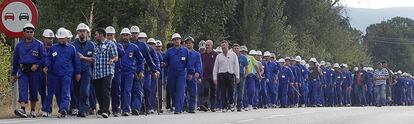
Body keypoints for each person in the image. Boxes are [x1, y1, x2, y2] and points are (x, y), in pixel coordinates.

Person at [43, 28, 81, 118]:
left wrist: (78, 73)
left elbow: (76, 61)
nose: (61, 40)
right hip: (54, 74)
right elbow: (48, 59)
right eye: (59, 38)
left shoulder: (72, 48)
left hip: (67, 74)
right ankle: (55, 109)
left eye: (63, 38)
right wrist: (46, 66)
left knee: (65, 92)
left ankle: (64, 109)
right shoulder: (53, 48)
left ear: (66, 38)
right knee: (56, 93)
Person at [11, 23, 46, 118]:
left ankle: (33, 110)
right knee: (22, 88)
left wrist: (37, 64)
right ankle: (22, 108)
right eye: (27, 32)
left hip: (34, 70)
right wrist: (13, 74)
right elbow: (15, 60)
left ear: (33, 33)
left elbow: (43, 58)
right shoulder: (19, 45)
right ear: (24, 33)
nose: (29, 33)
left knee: (34, 90)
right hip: (22, 69)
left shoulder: (39, 44)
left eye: (31, 32)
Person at [130, 30, 160, 115]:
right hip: (131, 70)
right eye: (140, 38)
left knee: (145, 88)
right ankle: (138, 108)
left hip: (145, 71)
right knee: (132, 90)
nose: (141, 39)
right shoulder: (129, 44)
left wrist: (155, 69)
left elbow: (151, 59)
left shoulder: (146, 47)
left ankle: (146, 107)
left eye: (143, 38)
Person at [163, 33, 194, 114]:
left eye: (178, 39)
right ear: (173, 41)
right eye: (175, 39)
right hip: (171, 73)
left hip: (181, 73)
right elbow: (165, 61)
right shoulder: (169, 51)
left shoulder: (185, 51)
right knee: (172, 90)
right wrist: (164, 64)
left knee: (180, 90)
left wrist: (190, 73)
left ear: (180, 40)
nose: (176, 41)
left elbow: (189, 63)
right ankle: (178, 104)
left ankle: (178, 109)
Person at [92, 28, 118, 118]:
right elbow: (94, 59)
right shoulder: (95, 45)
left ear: (101, 35)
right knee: (98, 92)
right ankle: (102, 108)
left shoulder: (110, 44)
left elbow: (116, 57)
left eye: (96, 34)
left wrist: (112, 60)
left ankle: (105, 111)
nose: (95, 36)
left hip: (107, 72)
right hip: (97, 73)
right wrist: (83, 58)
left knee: (105, 90)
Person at [117, 28, 144, 116]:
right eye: (123, 35)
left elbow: (141, 60)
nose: (125, 37)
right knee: (120, 90)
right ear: (121, 36)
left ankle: (126, 109)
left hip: (130, 72)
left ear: (130, 36)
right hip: (119, 72)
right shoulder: (117, 46)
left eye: (127, 35)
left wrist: (140, 70)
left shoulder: (134, 47)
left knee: (127, 90)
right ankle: (121, 108)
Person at [71, 23, 95, 117]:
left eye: (84, 31)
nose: (82, 33)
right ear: (77, 32)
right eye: (80, 31)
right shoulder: (72, 45)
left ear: (87, 33)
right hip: (75, 71)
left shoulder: (92, 45)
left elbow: (94, 59)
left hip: (87, 71)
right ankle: (76, 107)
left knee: (85, 91)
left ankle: (83, 110)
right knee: (76, 90)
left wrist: (83, 58)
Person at [212, 40, 239, 112]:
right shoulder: (218, 56)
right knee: (222, 92)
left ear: (227, 46)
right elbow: (215, 67)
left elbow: (236, 66)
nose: (223, 47)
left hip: (230, 74)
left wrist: (237, 76)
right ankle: (224, 106)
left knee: (231, 91)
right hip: (221, 75)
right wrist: (214, 78)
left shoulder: (233, 55)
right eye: (222, 46)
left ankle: (231, 103)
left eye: (224, 45)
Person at [105, 26, 124, 117]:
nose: (109, 37)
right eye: (107, 35)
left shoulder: (119, 45)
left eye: (111, 35)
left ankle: (116, 109)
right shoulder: (102, 45)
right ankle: (106, 109)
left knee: (116, 90)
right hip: (106, 71)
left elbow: (122, 54)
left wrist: (113, 45)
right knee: (106, 91)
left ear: (114, 35)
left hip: (116, 71)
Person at [184, 36, 202, 113]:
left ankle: (191, 107)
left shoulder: (197, 54)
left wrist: (198, 72)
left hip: (193, 75)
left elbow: (199, 64)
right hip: (183, 74)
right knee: (183, 91)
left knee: (192, 92)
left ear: (193, 44)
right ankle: (184, 106)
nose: (188, 44)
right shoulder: (183, 53)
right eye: (187, 43)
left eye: (190, 43)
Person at [39, 29, 54, 117]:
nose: (50, 40)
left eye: (52, 38)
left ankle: (47, 109)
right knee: (42, 91)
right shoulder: (40, 47)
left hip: (51, 72)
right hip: (40, 72)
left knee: (50, 91)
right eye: (49, 38)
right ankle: (46, 107)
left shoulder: (55, 48)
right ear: (44, 38)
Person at [200, 40, 218, 112]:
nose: (207, 46)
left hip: (213, 76)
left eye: (208, 45)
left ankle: (213, 106)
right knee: (206, 88)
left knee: (213, 91)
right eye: (206, 45)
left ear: (212, 46)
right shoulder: (202, 55)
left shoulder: (216, 54)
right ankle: (205, 104)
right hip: (205, 76)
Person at [233, 44, 248, 111]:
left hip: (241, 75)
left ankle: (239, 105)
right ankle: (232, 104)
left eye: (237, 48)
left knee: (240, 91)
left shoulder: (243, 57)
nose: (236, 49)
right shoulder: (231, 56)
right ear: (233, 49)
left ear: (239, 49)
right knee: (233, 90)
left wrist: (245, 75)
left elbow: (247, 67)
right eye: (235, 48)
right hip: (233, 75)